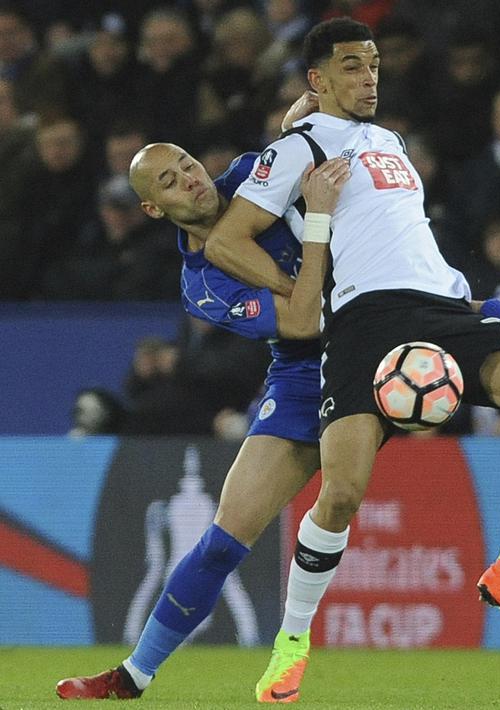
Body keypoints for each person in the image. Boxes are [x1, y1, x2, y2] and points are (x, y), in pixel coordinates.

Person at [202, 18, 500, 664]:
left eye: (373, 65)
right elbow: (225, 240)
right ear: (318, 78)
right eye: (352, 67)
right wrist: (296, 283)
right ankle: (292, 637)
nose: (369, 77)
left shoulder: (386, 136)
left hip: (444, 304)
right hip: (366, 318)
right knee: (340, 494)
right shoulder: (299, 149)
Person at [55, 144, 343, 701]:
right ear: (153, 210)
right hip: (307, 370)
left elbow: (314, 138)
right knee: (222, 541)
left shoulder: (250, 174)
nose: (189, 179)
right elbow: (303, 324)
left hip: (383, 328)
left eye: (187, 164)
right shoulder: (204, 287)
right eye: (168, 181)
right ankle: (133, 675)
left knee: (497, 340)